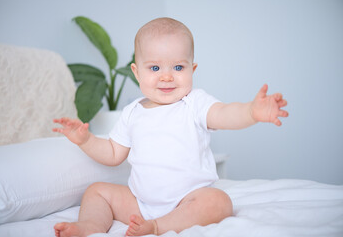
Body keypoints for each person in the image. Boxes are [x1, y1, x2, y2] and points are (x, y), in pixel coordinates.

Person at [53, 17, 288, 237]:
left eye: (178, 68)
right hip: (141, 204)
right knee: (96, 191)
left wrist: (250, 112)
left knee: (219, 202)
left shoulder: (194, 103)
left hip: (187, 201)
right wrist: (86, 141)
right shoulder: (132, 112)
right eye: (155, 68)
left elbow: (224, 114)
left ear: (192, 70)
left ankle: (157, 227)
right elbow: (113, 153)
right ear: (136, 72)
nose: (166, 77)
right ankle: (90, 226)